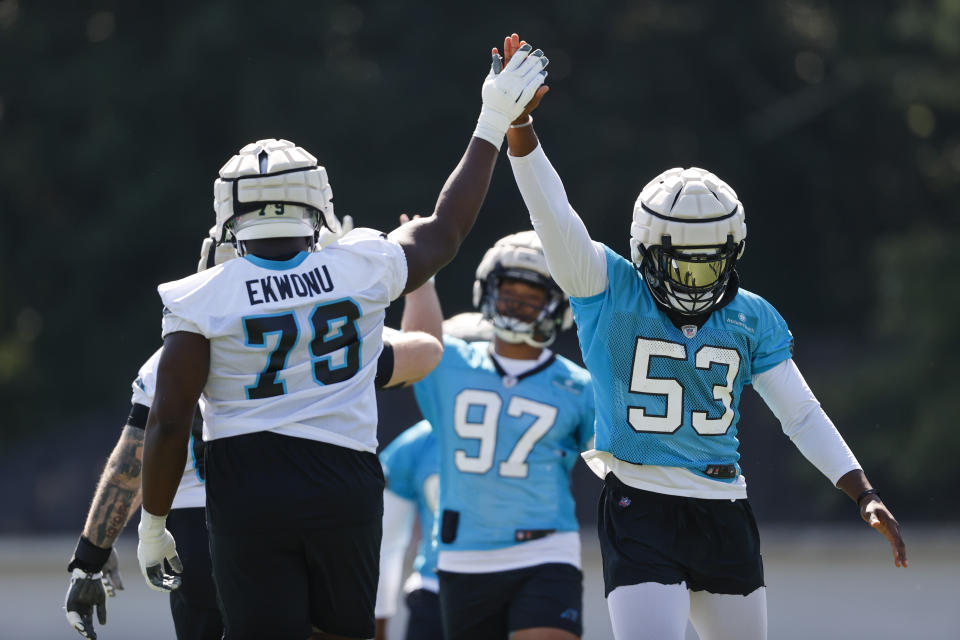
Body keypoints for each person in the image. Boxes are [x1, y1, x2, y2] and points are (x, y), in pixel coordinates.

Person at [136, 36, 550, 640]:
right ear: (316, 203)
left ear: (229, 212)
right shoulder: (359, 265)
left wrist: (152, 523)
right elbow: (446, 230)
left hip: (247, 484)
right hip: (343, 480)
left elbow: (169, 421)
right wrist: (490, 119)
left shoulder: (202, 295)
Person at [497, 34, 908, 640]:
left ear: (732, 252)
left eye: (708, 263)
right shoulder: (606, 285)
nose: (695, 280)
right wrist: (521, 128)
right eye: (681, 264)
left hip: (724, 507)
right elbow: (552, 215)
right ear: (645, 250)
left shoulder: (751, 316)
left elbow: (799, 412)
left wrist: (861, 489)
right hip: (639, 502)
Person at [63, 228, 443, 640]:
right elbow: (427, 353)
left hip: (208, 528)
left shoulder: (173, 356)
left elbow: (132, 461)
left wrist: (91, 555)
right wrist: (403, 285)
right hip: (314, 505)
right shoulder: (327, 340)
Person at [403, 232, 596, 640]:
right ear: (489, 291)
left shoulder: (579, 386)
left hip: (547, 549)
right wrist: (419, 273)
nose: (518, 302)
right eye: (509, 290)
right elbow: (415, 345)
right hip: (464, 556)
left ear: (556, 304)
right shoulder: (448, 359)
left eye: (533, 294)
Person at [374, 314, 495, 640]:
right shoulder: (413, 448)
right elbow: (387, 544)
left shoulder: (538, 429)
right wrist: (379, 621)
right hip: (435, 591)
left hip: (512, 587)